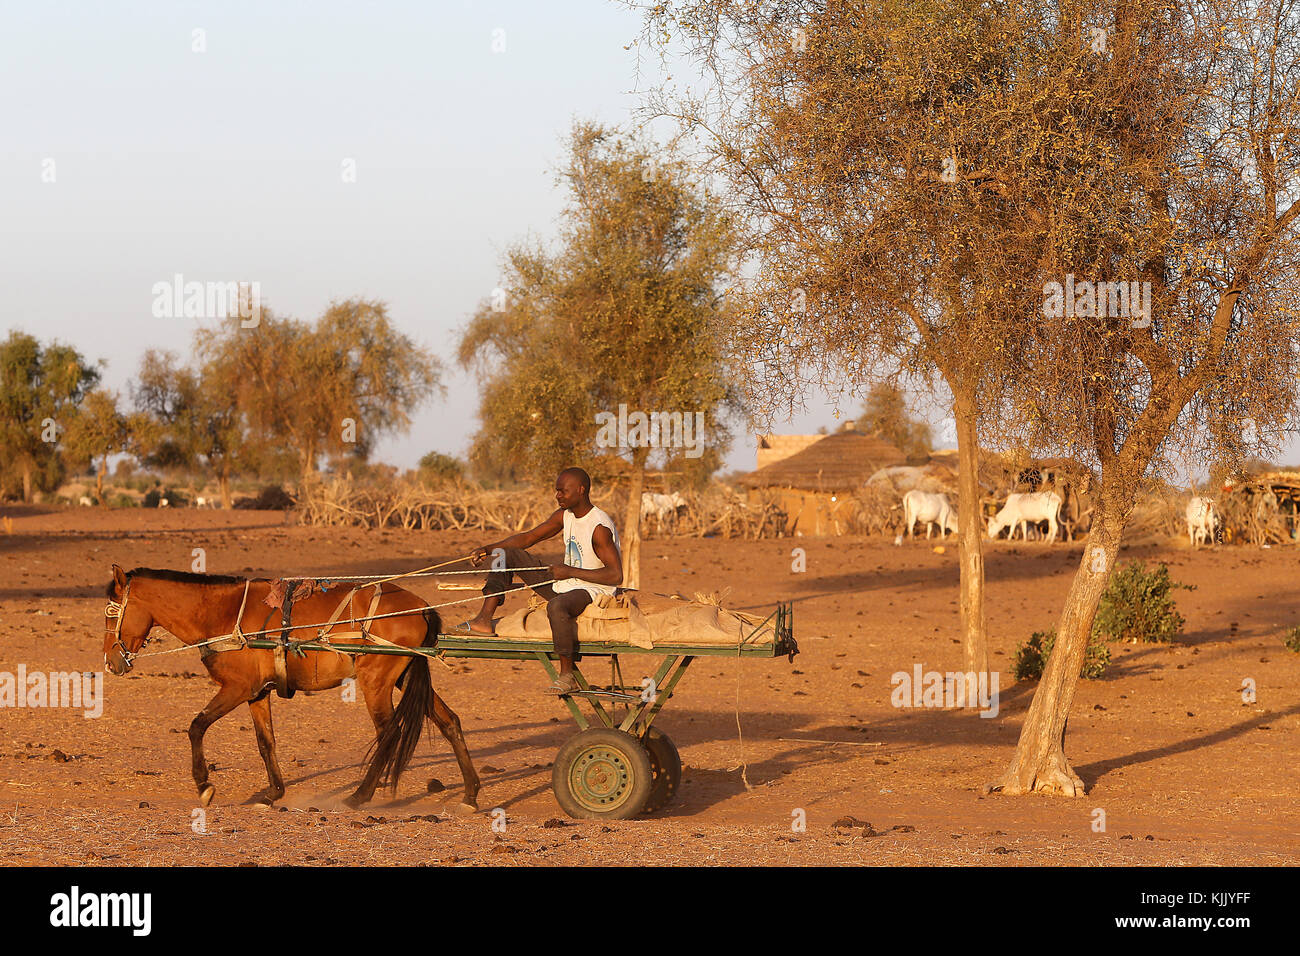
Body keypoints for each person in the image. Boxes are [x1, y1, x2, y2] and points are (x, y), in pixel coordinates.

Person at [457, 467, 622, 695]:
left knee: (558, 606)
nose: (558, 496)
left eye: (562, 491)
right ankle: (484, 619)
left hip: (593, 589)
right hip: (565, 581)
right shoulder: (565, 515)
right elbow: (529, 537)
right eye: (557, 491)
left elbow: (615, 576)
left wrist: (570, 571)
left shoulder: (599, 528)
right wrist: (488, 549)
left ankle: (567, 675)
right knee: (505, 553)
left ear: (581, 490)